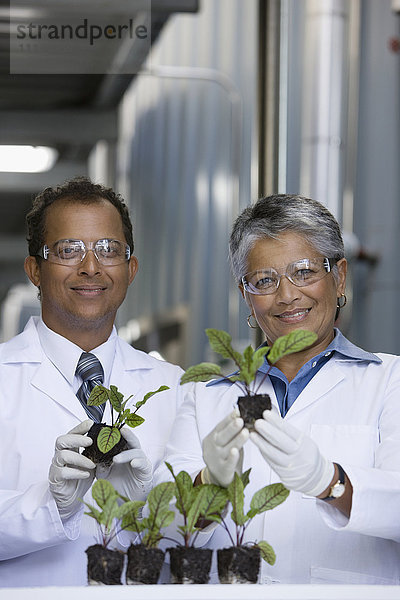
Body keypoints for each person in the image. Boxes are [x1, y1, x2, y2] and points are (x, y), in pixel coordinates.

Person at [155, 194, 400, 585]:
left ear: (339, 277)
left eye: (304, 272)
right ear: (247, 299)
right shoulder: (206, 397)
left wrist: (329, 481)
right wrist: (208, 484)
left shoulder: (390, 381)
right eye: (265, 280)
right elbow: (160, 533)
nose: (287, 296)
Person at [0, 177, 189, 587]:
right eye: (69, 250)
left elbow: (197, 539)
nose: (90, 267)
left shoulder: (175, 388)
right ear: (35, 268)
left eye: (108, 250)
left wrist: (147, 505)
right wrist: (51, 506)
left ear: (130, 269)